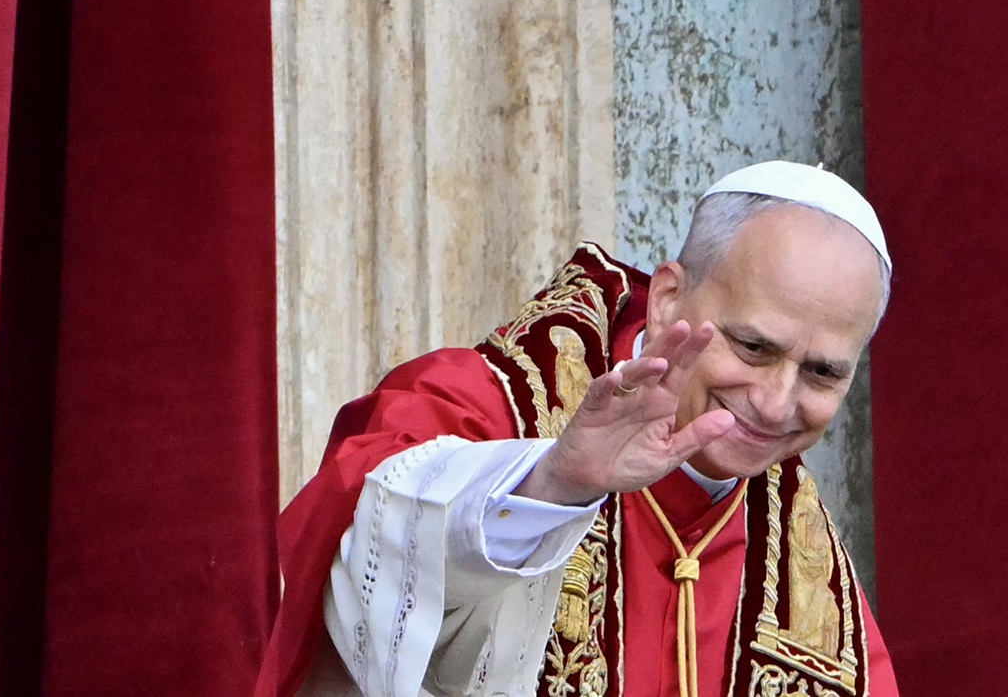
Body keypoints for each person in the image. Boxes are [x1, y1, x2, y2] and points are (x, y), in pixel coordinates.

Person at [255, 161, 901, 697]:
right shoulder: (482, 400)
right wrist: (552, 484)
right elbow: (367, 566)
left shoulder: (811, 576)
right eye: (754, 347)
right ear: (670, 296)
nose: (775, 401)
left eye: (821, 374)